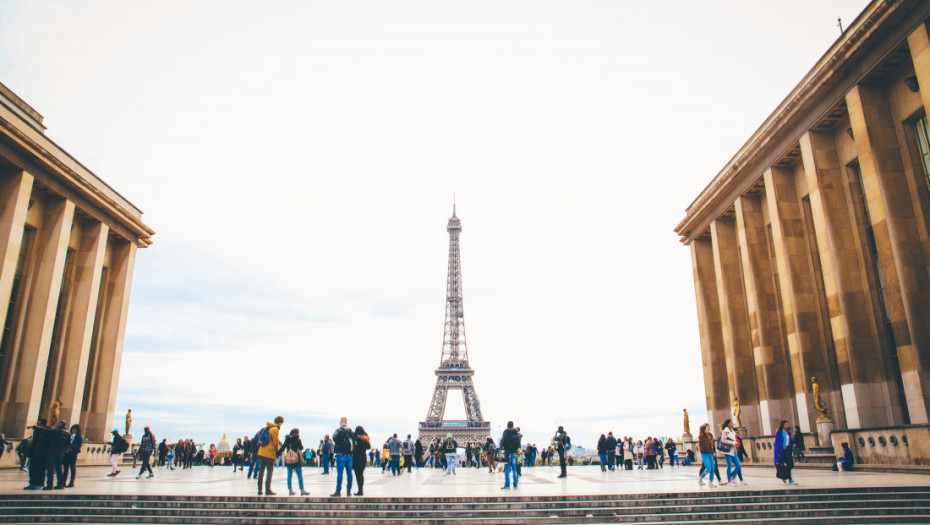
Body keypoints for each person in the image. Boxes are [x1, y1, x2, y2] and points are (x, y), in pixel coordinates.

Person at [257, 416, 284, 496]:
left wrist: (280, 442)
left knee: (261, 471)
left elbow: (272, 438)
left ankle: (260, 489)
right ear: (280, 423)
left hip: (262, 451)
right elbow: (274, 442)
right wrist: (277, 452)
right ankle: (268, 489)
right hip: (269, 453)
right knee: (269, 471)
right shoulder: (275, 429)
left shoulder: (269, 427)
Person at [280, 428, 309, 496]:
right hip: (296, 459)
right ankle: (302, 490)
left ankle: (290, 490)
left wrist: (277, 454)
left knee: (289, 475)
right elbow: (301, 448)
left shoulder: (287, 439)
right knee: (299, 475)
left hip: (289, 459)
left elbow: (283, 448)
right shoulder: (298, 440)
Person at [330, 417, 355, 497]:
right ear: (346, 422)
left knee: (340, 474)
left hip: (340, 454)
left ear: (340, 422)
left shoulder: (339, 430)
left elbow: (334, 438)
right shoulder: (350, 431)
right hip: (350, 455)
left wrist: (338, 443)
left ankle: (338, 491)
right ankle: (348, 491)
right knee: (349, 473)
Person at [45, 420, 70, 489]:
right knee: (59, 469)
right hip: (60, 453)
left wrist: (35, 427)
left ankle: (49, 484)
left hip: (52, 451)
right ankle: (60, 484)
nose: (56, 424)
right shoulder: (68, 433)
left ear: (60, 424)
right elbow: (68, 444)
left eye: (58, 423)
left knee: (50, 468)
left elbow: (46, 431)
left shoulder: (56, 431)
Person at [773, 419, 797, 485]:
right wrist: (778, 453)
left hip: (788, 450)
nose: (787, 426)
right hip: (782, 450)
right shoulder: (779, 432)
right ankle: (790, 479)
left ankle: (784, 476)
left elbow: (791, 441)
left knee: (791, 465)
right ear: (783, 425)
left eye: (787, 425)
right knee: (787, 465)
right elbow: (778, 442)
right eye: (786, 425)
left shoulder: (788, 432)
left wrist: (792, 437)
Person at [720, 419, 742, 486]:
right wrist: (732, 443)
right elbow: (723, 440)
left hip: (733, 450)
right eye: (732, 423)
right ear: (728, 424)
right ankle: (729, 480)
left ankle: (733, 477)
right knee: (729, 465)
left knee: (738, 465)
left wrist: (735, 443)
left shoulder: (733, 431)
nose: (733, 424)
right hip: (727, 450)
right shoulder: (725, 431)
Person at [500, 421, 520, 489]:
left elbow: (503, 441)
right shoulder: (516, 432)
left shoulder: (506, 432)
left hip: (507, 452)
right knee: (514, 468)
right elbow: (518, 443)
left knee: (507, 468)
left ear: (507, 425)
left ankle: (507, 484)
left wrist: (503, 446)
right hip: (513, 452)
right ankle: (515, 483)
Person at [697, 423, 718, 487]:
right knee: (708, 468)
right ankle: (700, 478)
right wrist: (713, 452)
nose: (707, 429)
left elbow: (709, 446)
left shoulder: (707, 436)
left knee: (712, 468)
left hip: (709, 454)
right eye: (706, 428)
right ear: (704, 430)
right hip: (705, 454)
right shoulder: (701, 437)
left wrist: (712, 452)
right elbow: (705, 447)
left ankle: (710, 482)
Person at [353, 426, 370, 496]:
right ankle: (361, 490)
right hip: (363, 457)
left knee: (357, 474)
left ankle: (360, 490)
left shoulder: (356, 437)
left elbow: (354, 447)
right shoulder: (365, 438)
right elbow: (369, 447)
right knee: (361, 474)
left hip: (357, 457)